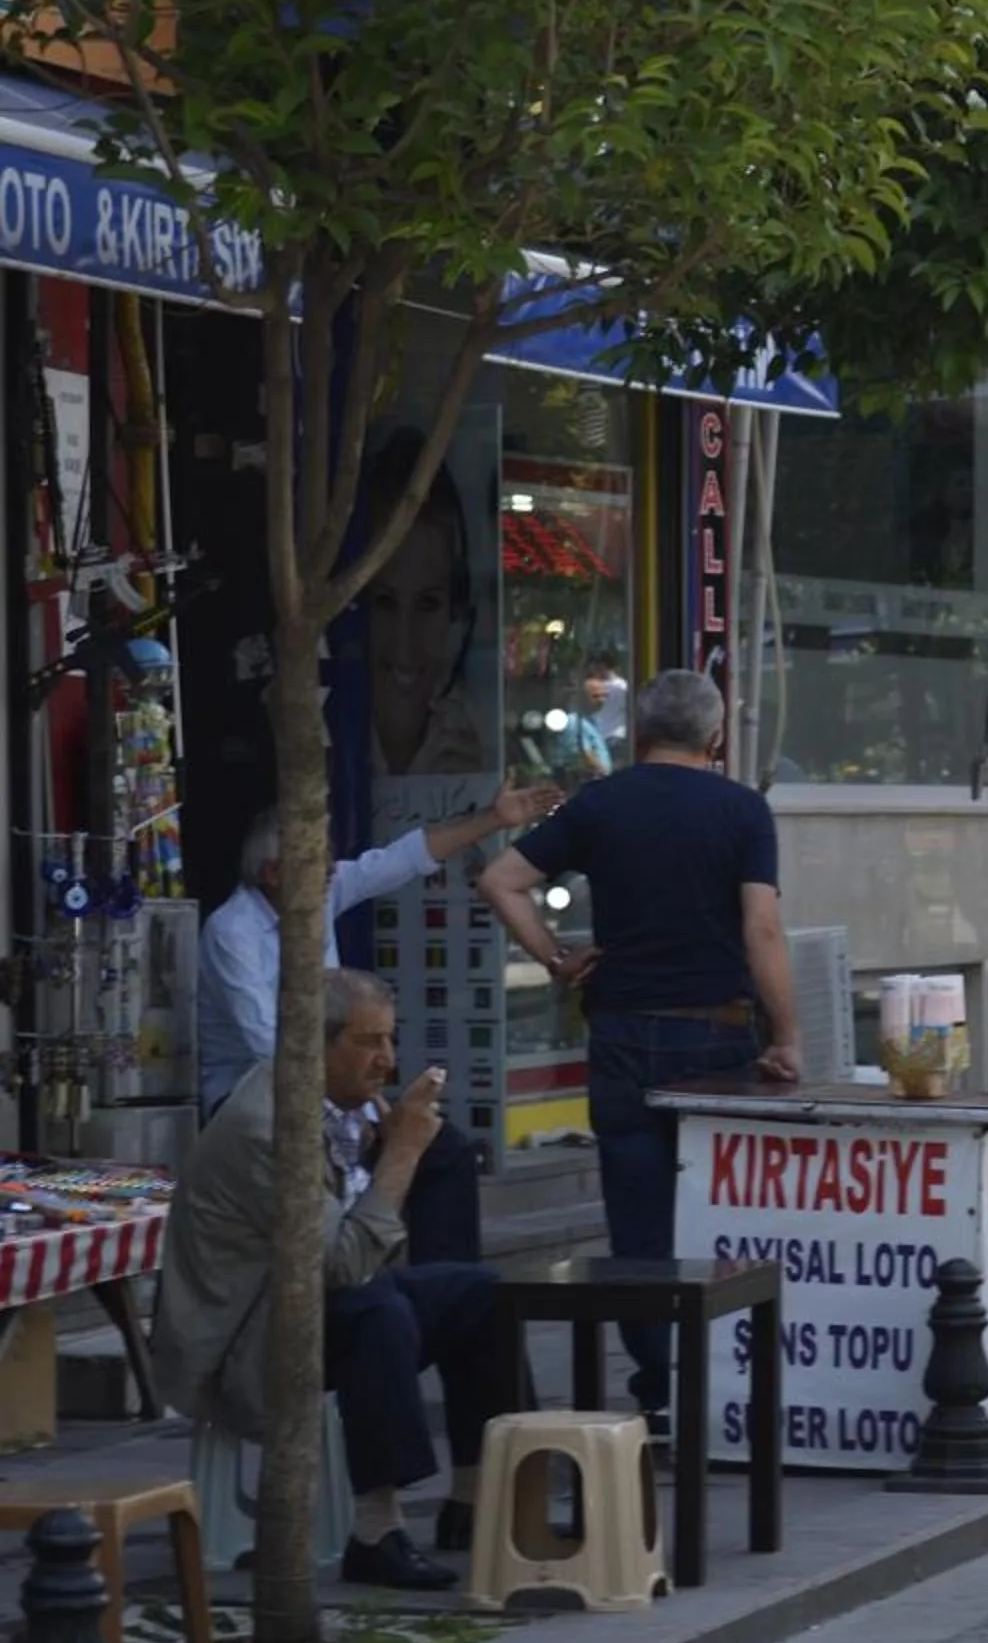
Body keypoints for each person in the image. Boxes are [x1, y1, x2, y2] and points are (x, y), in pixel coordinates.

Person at [477, 669, 797, 1428]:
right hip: (714, 1034)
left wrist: (556, 957)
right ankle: (716, 1386)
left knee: (638, 1223)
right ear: (716, 738)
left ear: (640, 734)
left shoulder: (600, 804)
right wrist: (787, 1035)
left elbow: (499, 879)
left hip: (620, 1033)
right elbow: (762, 929)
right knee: (716, 1215)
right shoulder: (741, 810)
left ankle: (656, 1391)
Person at [152, 969, 510, 1591]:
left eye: (390, 1041)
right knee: (377, 1313)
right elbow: (343, 1264)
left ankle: (477, 1498)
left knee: (483, 1294)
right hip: (240, 1344)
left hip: (301, 1301)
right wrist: (400, 1156)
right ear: (315, 1044)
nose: (387, 1062)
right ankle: (378, 1529)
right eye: (370, 1043)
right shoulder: (268, 1127)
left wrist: (403, 1147)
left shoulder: (338, 1105)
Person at [199, 791, 558, 1265]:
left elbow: (403, 859)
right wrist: (361, 1104)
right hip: (253, 1100)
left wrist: (495, 818)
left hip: (337, 1087)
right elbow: (267, 1045)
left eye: (328, 855)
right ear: (273, 874)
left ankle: (445, 1293)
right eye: (316, 858)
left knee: (446, 1151)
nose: (330, 868)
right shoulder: (232, 930)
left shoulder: (318, 893)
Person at [361, 426, 491, 776]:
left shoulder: (480, 740)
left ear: (456, 610)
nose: (405, 644)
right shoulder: (317, 747)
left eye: (428, 605)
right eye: (385, 602)